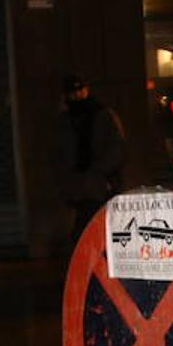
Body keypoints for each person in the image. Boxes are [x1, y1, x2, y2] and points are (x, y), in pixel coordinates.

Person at [54, 74, 125, 242]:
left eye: (81, 90)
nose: (78, 95)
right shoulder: (66, 119)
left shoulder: (102, 114)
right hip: (81, 182)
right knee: (88, 226)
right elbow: (61, 152)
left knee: (88, 227)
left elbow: (117, 147)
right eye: (73, 92)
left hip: (99, 182)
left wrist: (101, 171)